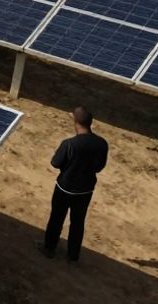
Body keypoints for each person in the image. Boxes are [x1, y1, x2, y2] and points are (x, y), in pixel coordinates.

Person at [41, 107, 108, 262]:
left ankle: (49, 248)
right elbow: (99, 167)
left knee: (56, 218)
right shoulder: (101, 144)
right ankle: (73, 255)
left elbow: (55, 163)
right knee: (78, 222)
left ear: (76, 122)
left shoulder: (69, 144)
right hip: (85, 190)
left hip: (64, 188)